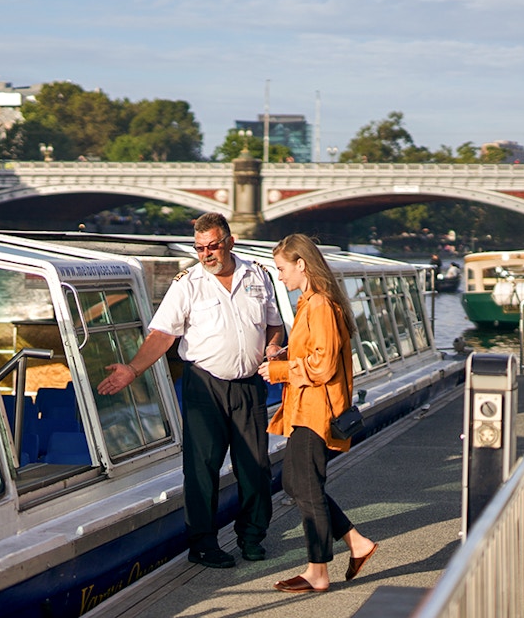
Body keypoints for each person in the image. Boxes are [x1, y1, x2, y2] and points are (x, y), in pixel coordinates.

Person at [97, 212, 285, 569]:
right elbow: (163, 335)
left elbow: (275, 326)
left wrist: (274, 348)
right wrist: (133, 369)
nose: (206, 254)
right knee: (202, 468)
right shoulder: (188, 284)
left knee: (255, 466)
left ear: (230, 242)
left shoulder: (258, 276)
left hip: (249, 387)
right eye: (200, 248)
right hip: (205, 385)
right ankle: (203, 544)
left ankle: (252, 537)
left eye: (213, 246)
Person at [259, 233, 377, 594]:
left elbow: (322, 366)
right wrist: (285, 355)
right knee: (296, 483)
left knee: (305, 486)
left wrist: (278, 371)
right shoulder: (309, 302)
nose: (280, 277)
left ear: (302, 265)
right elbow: (314, 354)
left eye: (282, 269)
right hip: (303, 410)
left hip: (317, 411)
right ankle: (356, 542)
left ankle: (318, 571)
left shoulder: (321, 305)